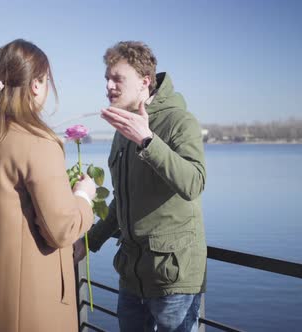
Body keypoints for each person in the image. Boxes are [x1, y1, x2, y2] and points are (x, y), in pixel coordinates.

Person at [0, 39, 96, 332]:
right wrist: (83, 197)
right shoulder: (38, 142)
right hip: (30, 312)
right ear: (36, 85)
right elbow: (61, 229)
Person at [75, 41, 207, 332]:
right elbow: (122, 201)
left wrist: (147, 140)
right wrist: (89, 242)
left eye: (117, 79)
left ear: (145, 82)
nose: (108, 86)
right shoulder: (123, 129)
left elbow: (194, 183)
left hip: (173, 279)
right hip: (131, 277)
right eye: (106, 79)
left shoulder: (179, 121)